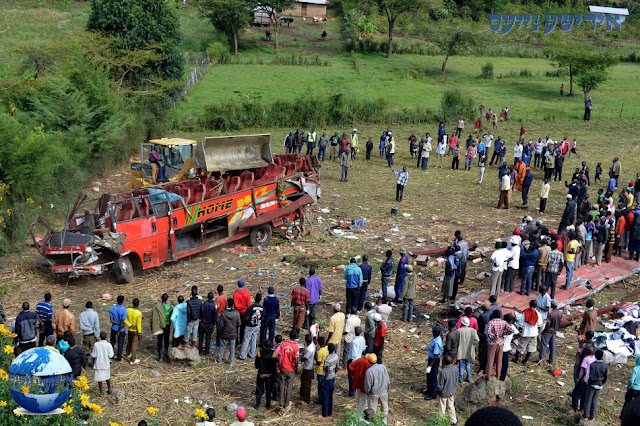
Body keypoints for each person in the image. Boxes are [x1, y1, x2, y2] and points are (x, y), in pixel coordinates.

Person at [485, 310, 512, 381]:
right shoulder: (503, 322)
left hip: (492, 343)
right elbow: (511, 330)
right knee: (499, 360)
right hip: (500, 343)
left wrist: (494, 337)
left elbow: (489, 333)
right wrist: (503, 333)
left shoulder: (491, 322)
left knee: (490, 360)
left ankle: (488, 376)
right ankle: (498, 375)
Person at [515, 300, 543, 365]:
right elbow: (540, 325)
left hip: (525, 333)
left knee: (521, 346)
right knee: (531, 347)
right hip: (534, 333)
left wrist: (519, 331)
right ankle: (525, 360)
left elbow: (520, 324)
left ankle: (517, 359)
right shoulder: (538, 314)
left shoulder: (525, 313)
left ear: (529, 304)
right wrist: (538, 332)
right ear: (536, 306)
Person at [572, 345, 596, 414]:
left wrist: (581, 378)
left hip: (584, 379)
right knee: (584, 395)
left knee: (575, 394)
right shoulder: (594, 358)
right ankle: (581, 409)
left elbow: (585, 370)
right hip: (589, 380)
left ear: (587, 351)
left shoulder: (586, 359)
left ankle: (575, 409)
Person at [364, 358, 390, 423]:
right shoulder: (383, 367)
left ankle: (373, 423)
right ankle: (383, 423)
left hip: (373, 393)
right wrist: (387, 389)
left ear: (369, 362)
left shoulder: (369, 371)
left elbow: (368, 384)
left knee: (372, 411)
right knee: (384, 408)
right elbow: (388, 379)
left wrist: (367, 392)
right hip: (384, 391)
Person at [253, 339, 277, 410]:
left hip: (261, 374)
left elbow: (256, 365)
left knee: (259, 389)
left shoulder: (259, 353)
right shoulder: (273, 354)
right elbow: (274, 366)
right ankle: (268, 405)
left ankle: (257, 404)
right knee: (268, 390)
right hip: (269, 375)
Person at [217, 298, 241, 364]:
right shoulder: (236, 313)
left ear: (227, 304)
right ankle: (230, 361)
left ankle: (219, 359)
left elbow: (221, 325)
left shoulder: (223, 313)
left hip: (224, 334)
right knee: (232, 348)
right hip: (233, 334)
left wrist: (219, 332)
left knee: (222, 346)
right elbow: (239, 324)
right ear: (233, 304)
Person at [239, 293, 263, 360]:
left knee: (246, 340)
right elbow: (262, 317)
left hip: (250, 325)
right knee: (254, 339)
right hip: (257, 325)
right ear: (260, 300)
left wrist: (248, 318)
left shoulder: (251, 308)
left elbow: (246, 317)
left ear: (255, 299)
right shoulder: (262, 308)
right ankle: (252, 354)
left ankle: (242, 355)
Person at [318, 343, 338, 419]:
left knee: (325, 397)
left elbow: (326, 372)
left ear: (328, 350)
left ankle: (324, 414)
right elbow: (336, 367)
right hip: (332, 378)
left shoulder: (327, 359)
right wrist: (333, 374)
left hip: (327, 379)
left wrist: (323, 381)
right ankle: (329, 412)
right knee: (330, 396)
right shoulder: (336, 356)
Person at [91, 331, 114, 396]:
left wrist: (90, 353)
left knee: (99, 378)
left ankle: (101, 391)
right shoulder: (108, 345)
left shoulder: (96, 344)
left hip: (98, 364)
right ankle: (109, 389)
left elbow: (94, 355)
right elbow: (111, 355)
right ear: (106, 337)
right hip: (106, 363)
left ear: (100, 337)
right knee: (107, 377)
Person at [151, 293, 172, 361]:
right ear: (167, 299)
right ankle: (166, 353)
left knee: (159, 340)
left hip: (159, 325)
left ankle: (160, 356)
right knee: (166, 340)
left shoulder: (157, 307)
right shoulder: (170, 307)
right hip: (167, 325)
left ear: (161, 298)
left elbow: (153, 317)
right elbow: (171, 316)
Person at [437, 355, 458, 426]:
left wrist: (438, 392)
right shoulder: (455, 369)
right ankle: (454, 421)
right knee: (451, 406)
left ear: (444, 362)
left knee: (442, 407)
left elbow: (440, 385)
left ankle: (440, 421)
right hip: (452, 391)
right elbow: (456, 380)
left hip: (444, 393)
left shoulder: (443, 371)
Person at [424, 327, 443, 401]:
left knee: (433, 377)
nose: (433, 333)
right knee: (429, 376)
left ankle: (433, 394)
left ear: (438, 333)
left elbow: (435, 356)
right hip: (431, 359)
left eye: (434, 332)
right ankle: (428, 390)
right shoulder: (435, 339)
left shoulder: (437, 342)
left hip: (434, 361)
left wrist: (430, 366)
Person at [499, 314, 518, 381]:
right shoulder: (512, 327)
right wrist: (512, 338)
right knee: (505, 363)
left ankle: (497, 374)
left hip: (499, 346)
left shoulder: (501, 325)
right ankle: (502, 377)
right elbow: (517, 333)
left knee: (497, 362)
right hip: (506, 347)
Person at [109, 295, 127, 361]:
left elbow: (111, 320)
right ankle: (119, 357)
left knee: (112, 341)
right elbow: (122, 322)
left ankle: (111, 355)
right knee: (120, 343)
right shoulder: (124, 310)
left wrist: (117, 323)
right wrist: (119, 329)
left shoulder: (112, 308)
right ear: (122, 301)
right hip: (121, 330)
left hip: (113, 328)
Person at [621, 354, 640, 418]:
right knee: (637, 405)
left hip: (633, 388)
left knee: (627, 402)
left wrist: (628, 386)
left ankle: (623, 416)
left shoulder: (635, 369)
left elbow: (631, 380)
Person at [125, 298, 142, 365]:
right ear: (138, 304)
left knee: (129, 342)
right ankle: (132, 360)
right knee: (134, 345)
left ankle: (128, 353)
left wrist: (130, 325)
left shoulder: (128, 310)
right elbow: (139, 324)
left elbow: (125, 319)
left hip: (130, 329)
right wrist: (139, 333)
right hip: (135, 331)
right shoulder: (139, 313)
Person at [233, 280, 251, 345]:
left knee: (236, 327)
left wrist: (241, 307)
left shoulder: (235, 294)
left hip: (237, 313)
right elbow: (249, 304)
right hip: (245, 313)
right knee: (243, 328)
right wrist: (245, 308)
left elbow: (236, 305)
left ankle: (236, 341)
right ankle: (242, 341)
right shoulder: (247, 293)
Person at [198, 292, 216, 357]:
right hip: (209, 324)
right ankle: (206, 351)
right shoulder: (214, 305)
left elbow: (201, 312)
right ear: (213, 297)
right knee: (208, 338)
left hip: (202, 323)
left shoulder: (204, 304)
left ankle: (200, 350)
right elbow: (214, 316)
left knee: (201, 337)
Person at [300, 334, 315, 405]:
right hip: (307, 366)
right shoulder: (312, 345)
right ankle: (302, 395)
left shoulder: (310, 349)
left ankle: (306, 399)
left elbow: (304, 358)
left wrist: (300, 358)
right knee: (303, 380)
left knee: (307, 384)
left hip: (308, 367)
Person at [315, 336, 328, 405]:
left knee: (320, 385)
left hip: (320, 370)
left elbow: (319, 363)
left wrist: (315, 358)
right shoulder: (327, 348)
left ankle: (320, 399)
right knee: (324, 385)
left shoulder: (319, 352)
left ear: (319, 343)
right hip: (325, 370)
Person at [213, 285, 227, 349]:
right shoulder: (225, 296)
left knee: (218, 330)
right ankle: (221, 342)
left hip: (219, 314)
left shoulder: (218, 299)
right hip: (223, 313)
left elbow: (217, 308)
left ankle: (218, 344)